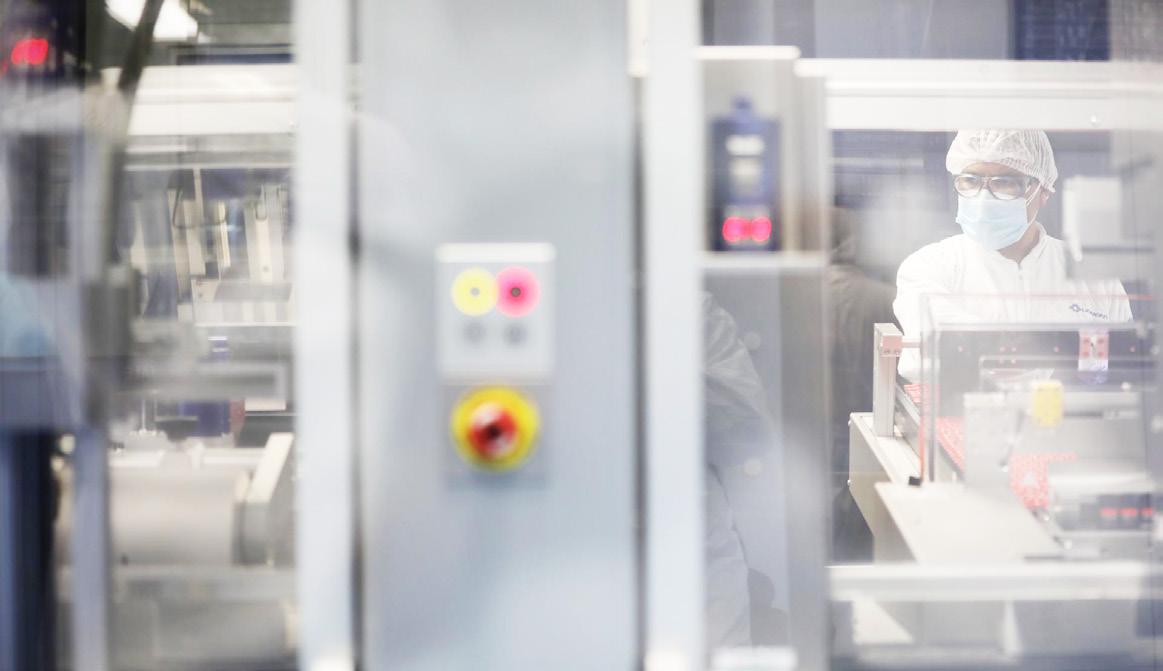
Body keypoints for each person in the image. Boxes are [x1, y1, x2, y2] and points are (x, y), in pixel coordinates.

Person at [894, 130, 1132, 377]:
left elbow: (1128, 369)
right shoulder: (930, 266)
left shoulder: (1094, 277)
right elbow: (938, 343)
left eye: (1005, 182)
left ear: (1043, 191)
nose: (983, 197)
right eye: (971, 181)